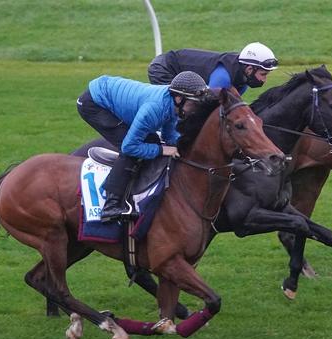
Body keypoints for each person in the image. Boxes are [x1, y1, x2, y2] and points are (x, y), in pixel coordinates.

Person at [76, 71, 209, 221]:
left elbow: (169, 135)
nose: (194, 109)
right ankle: (111, 205)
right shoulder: (154, 109)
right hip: (94, 104)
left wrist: (184, 145)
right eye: (193, 104)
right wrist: (162, 150)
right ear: (179, 98)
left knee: (152, 141)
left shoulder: (172, 103)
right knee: (132, 151)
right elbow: (130, 146)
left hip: (110, 94)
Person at [147, 42, 278, 95]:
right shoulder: (223, 77)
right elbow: (206, 108)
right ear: (250, 69)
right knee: (180, 106)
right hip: (163, 68)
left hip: (173, 66)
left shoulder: (242, 80)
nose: (264, 80)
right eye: (263, 74)